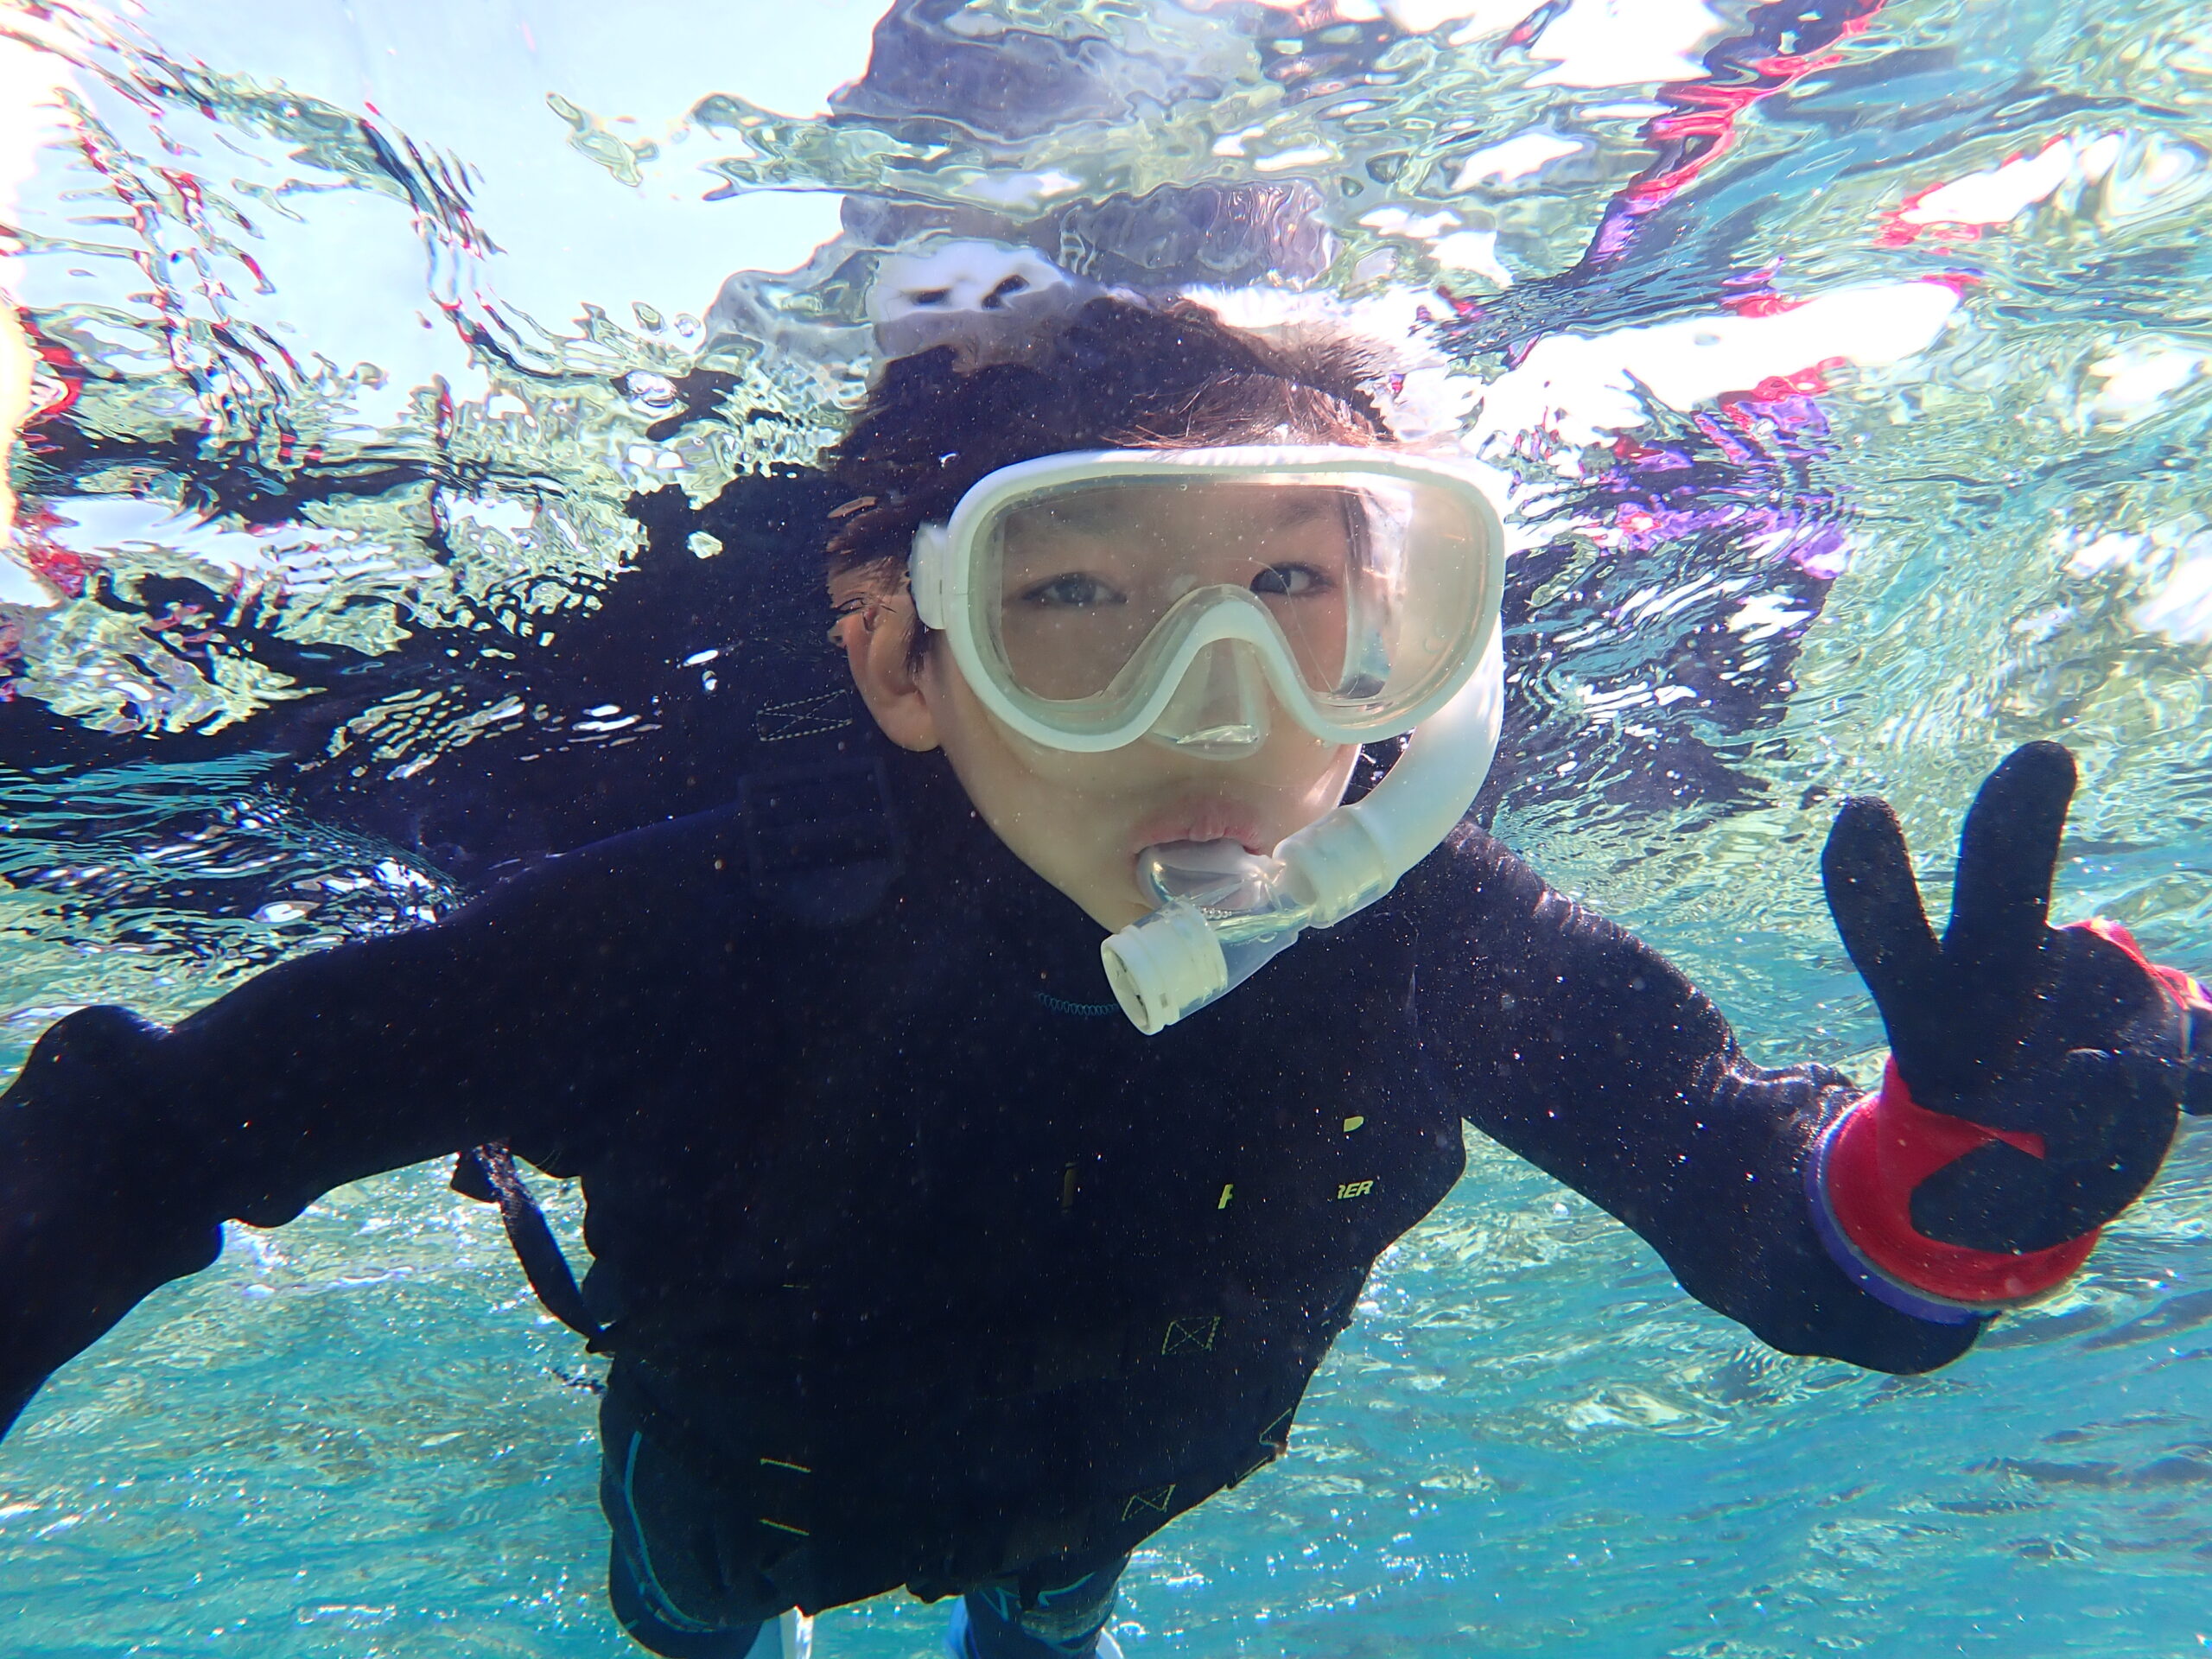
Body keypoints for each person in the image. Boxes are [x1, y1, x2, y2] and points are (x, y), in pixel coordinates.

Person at [2, 295, 2206, 1659]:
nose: (1207, 694)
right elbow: (160, 1136)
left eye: (1286, 587)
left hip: (1124, 1485)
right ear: (899, 654)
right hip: (741, 1482)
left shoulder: (1428, 937)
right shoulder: (668, 944)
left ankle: (1038, 1620)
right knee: (692, 1593)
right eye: (1083, 600)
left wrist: (1942, 1175)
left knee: (1054, 1607)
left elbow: (1762, 1201)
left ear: (1404, 645)